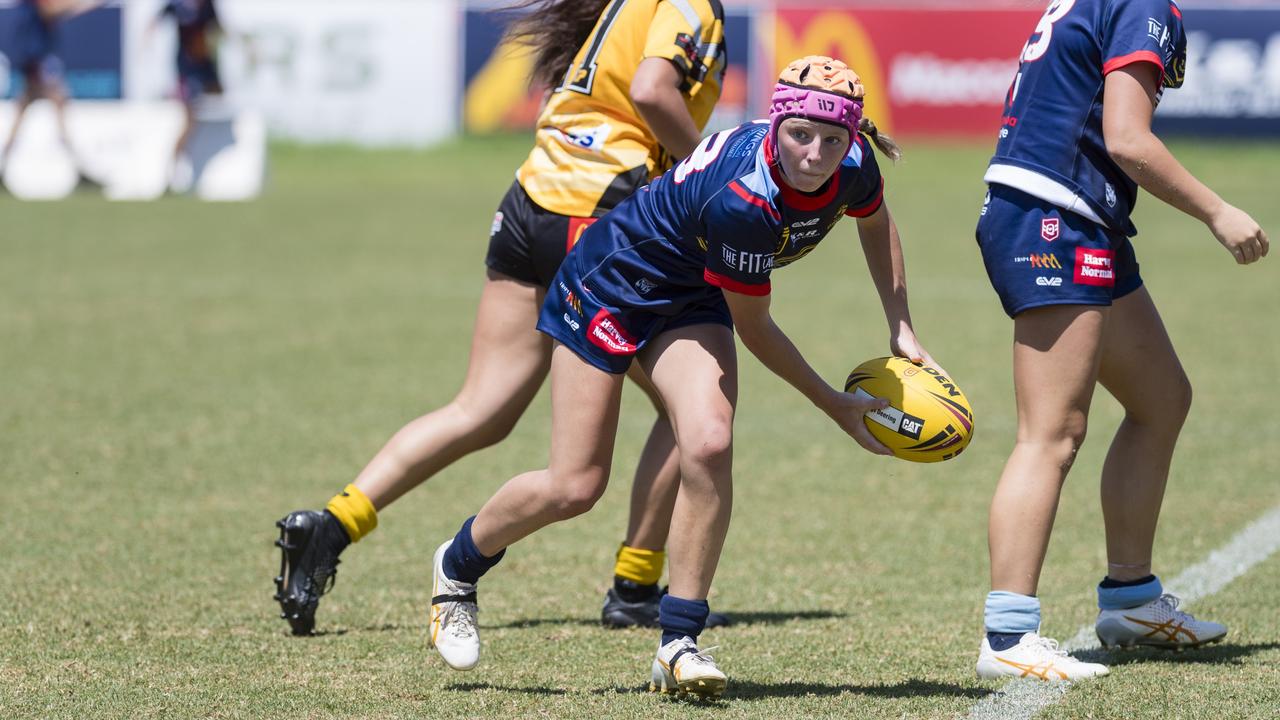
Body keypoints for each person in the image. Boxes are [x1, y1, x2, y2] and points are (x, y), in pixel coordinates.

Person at [427, 56, 933, 697]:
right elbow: (756, 330)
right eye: (801, 135)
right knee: (575, 485)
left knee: (710, 442)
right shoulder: (745, 198)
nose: (816, 153)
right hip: (610, 284)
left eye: (833, 140)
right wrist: (834, 404)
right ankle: (458, 564)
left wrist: (901, 326)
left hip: (692, 294)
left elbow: (877, 222)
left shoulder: (855, 165)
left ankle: (678, 643)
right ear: (777, 123)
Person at [274, 0, 729, 636]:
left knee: (481, 407)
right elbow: (653, 90)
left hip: (532, 201)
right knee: (693, 413)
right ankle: (635, 583)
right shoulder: (688, 5)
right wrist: (716, 170)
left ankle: (333, 523)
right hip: (607, 216)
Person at [972, 0, 1269, 681]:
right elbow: (1127, 138)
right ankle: (1008, 637)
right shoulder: (1141, 4)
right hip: (1056, 214)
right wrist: (1218, 212)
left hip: (1073, 211)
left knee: (1162, 397)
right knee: (1051, 432)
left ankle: (1130, 601)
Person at [0, 0, 101, 175]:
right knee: (58, 100)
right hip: (35, 56)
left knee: (27, 109)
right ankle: (77, 166)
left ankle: (4, 164)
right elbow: (49, 10)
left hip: (35, 54)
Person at [151, 0, 224, 189]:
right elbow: (156, 20)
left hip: (206, 68)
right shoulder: (178, 5)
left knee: (221, 102)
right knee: (189, 120)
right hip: (186, 71)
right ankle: (172, 169)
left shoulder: (207, 5)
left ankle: (184, 168)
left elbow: (217, 29)